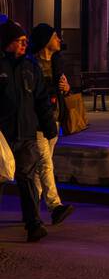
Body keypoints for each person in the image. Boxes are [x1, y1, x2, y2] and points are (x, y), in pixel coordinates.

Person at [0, 21, 58, 241]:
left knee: (27, 179)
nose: (25, 44)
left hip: (25, 133)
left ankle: (33, 224)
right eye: (20, 41)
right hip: (3, 136)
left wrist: (48, 125)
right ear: (8, 43)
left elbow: (41, 99)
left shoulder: (30, 67)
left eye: (26, 41)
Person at [28, 23, 75, 225]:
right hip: (37, 121)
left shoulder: (57, 62)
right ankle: (55, 206)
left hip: (54, 120)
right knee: (45, 164)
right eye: (55, 36)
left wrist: (66, 88)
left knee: (41, 167)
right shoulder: (31, 65)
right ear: (46, 41)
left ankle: (31, 211)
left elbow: (64, 91)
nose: (59, 40)